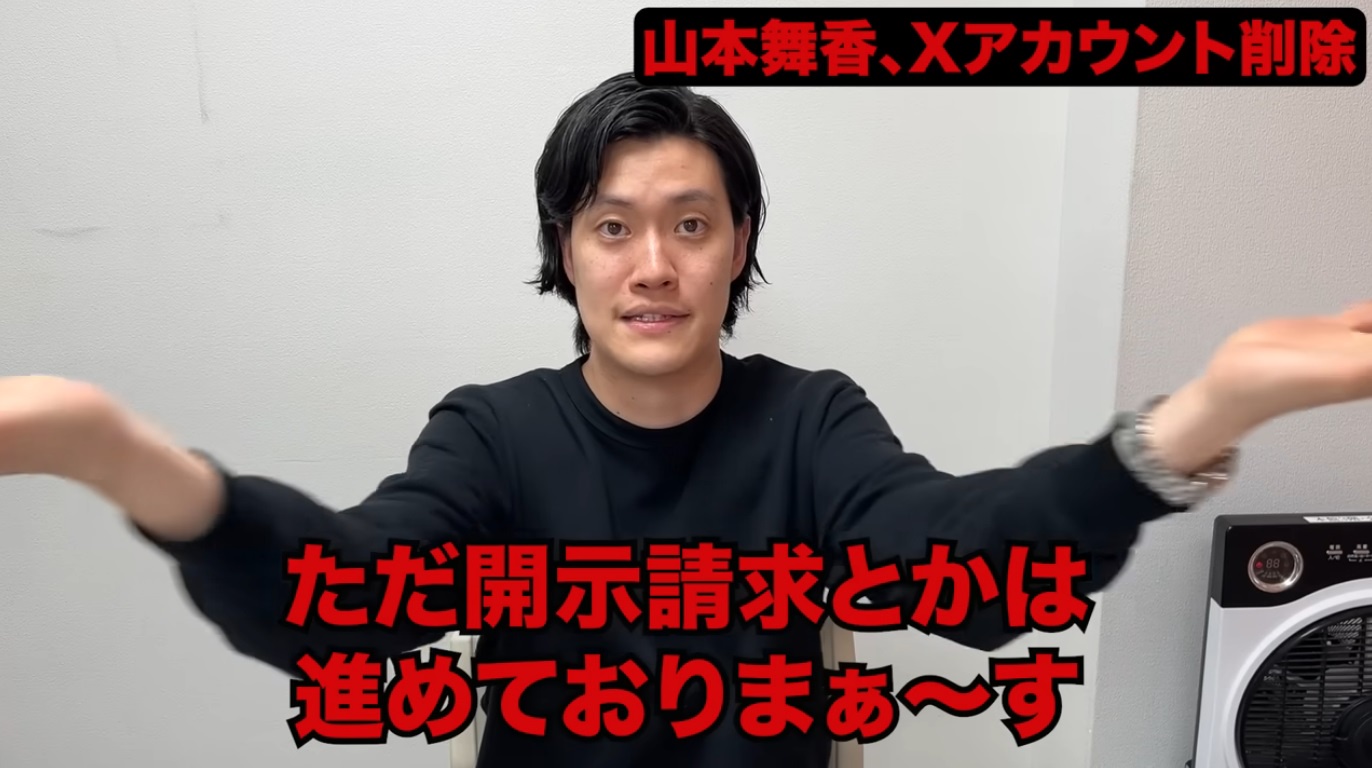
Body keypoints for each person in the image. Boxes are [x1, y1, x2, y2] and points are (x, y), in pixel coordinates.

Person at [1, 71, 1370, 768]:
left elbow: (960, 565)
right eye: (612, 227)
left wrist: (1197, 419)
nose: (652, 264)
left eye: (690, 224)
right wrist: (122, 458)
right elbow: (345, 600)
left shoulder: (811, 422)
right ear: (566, 250)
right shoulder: (492, 433)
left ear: (738, 244)